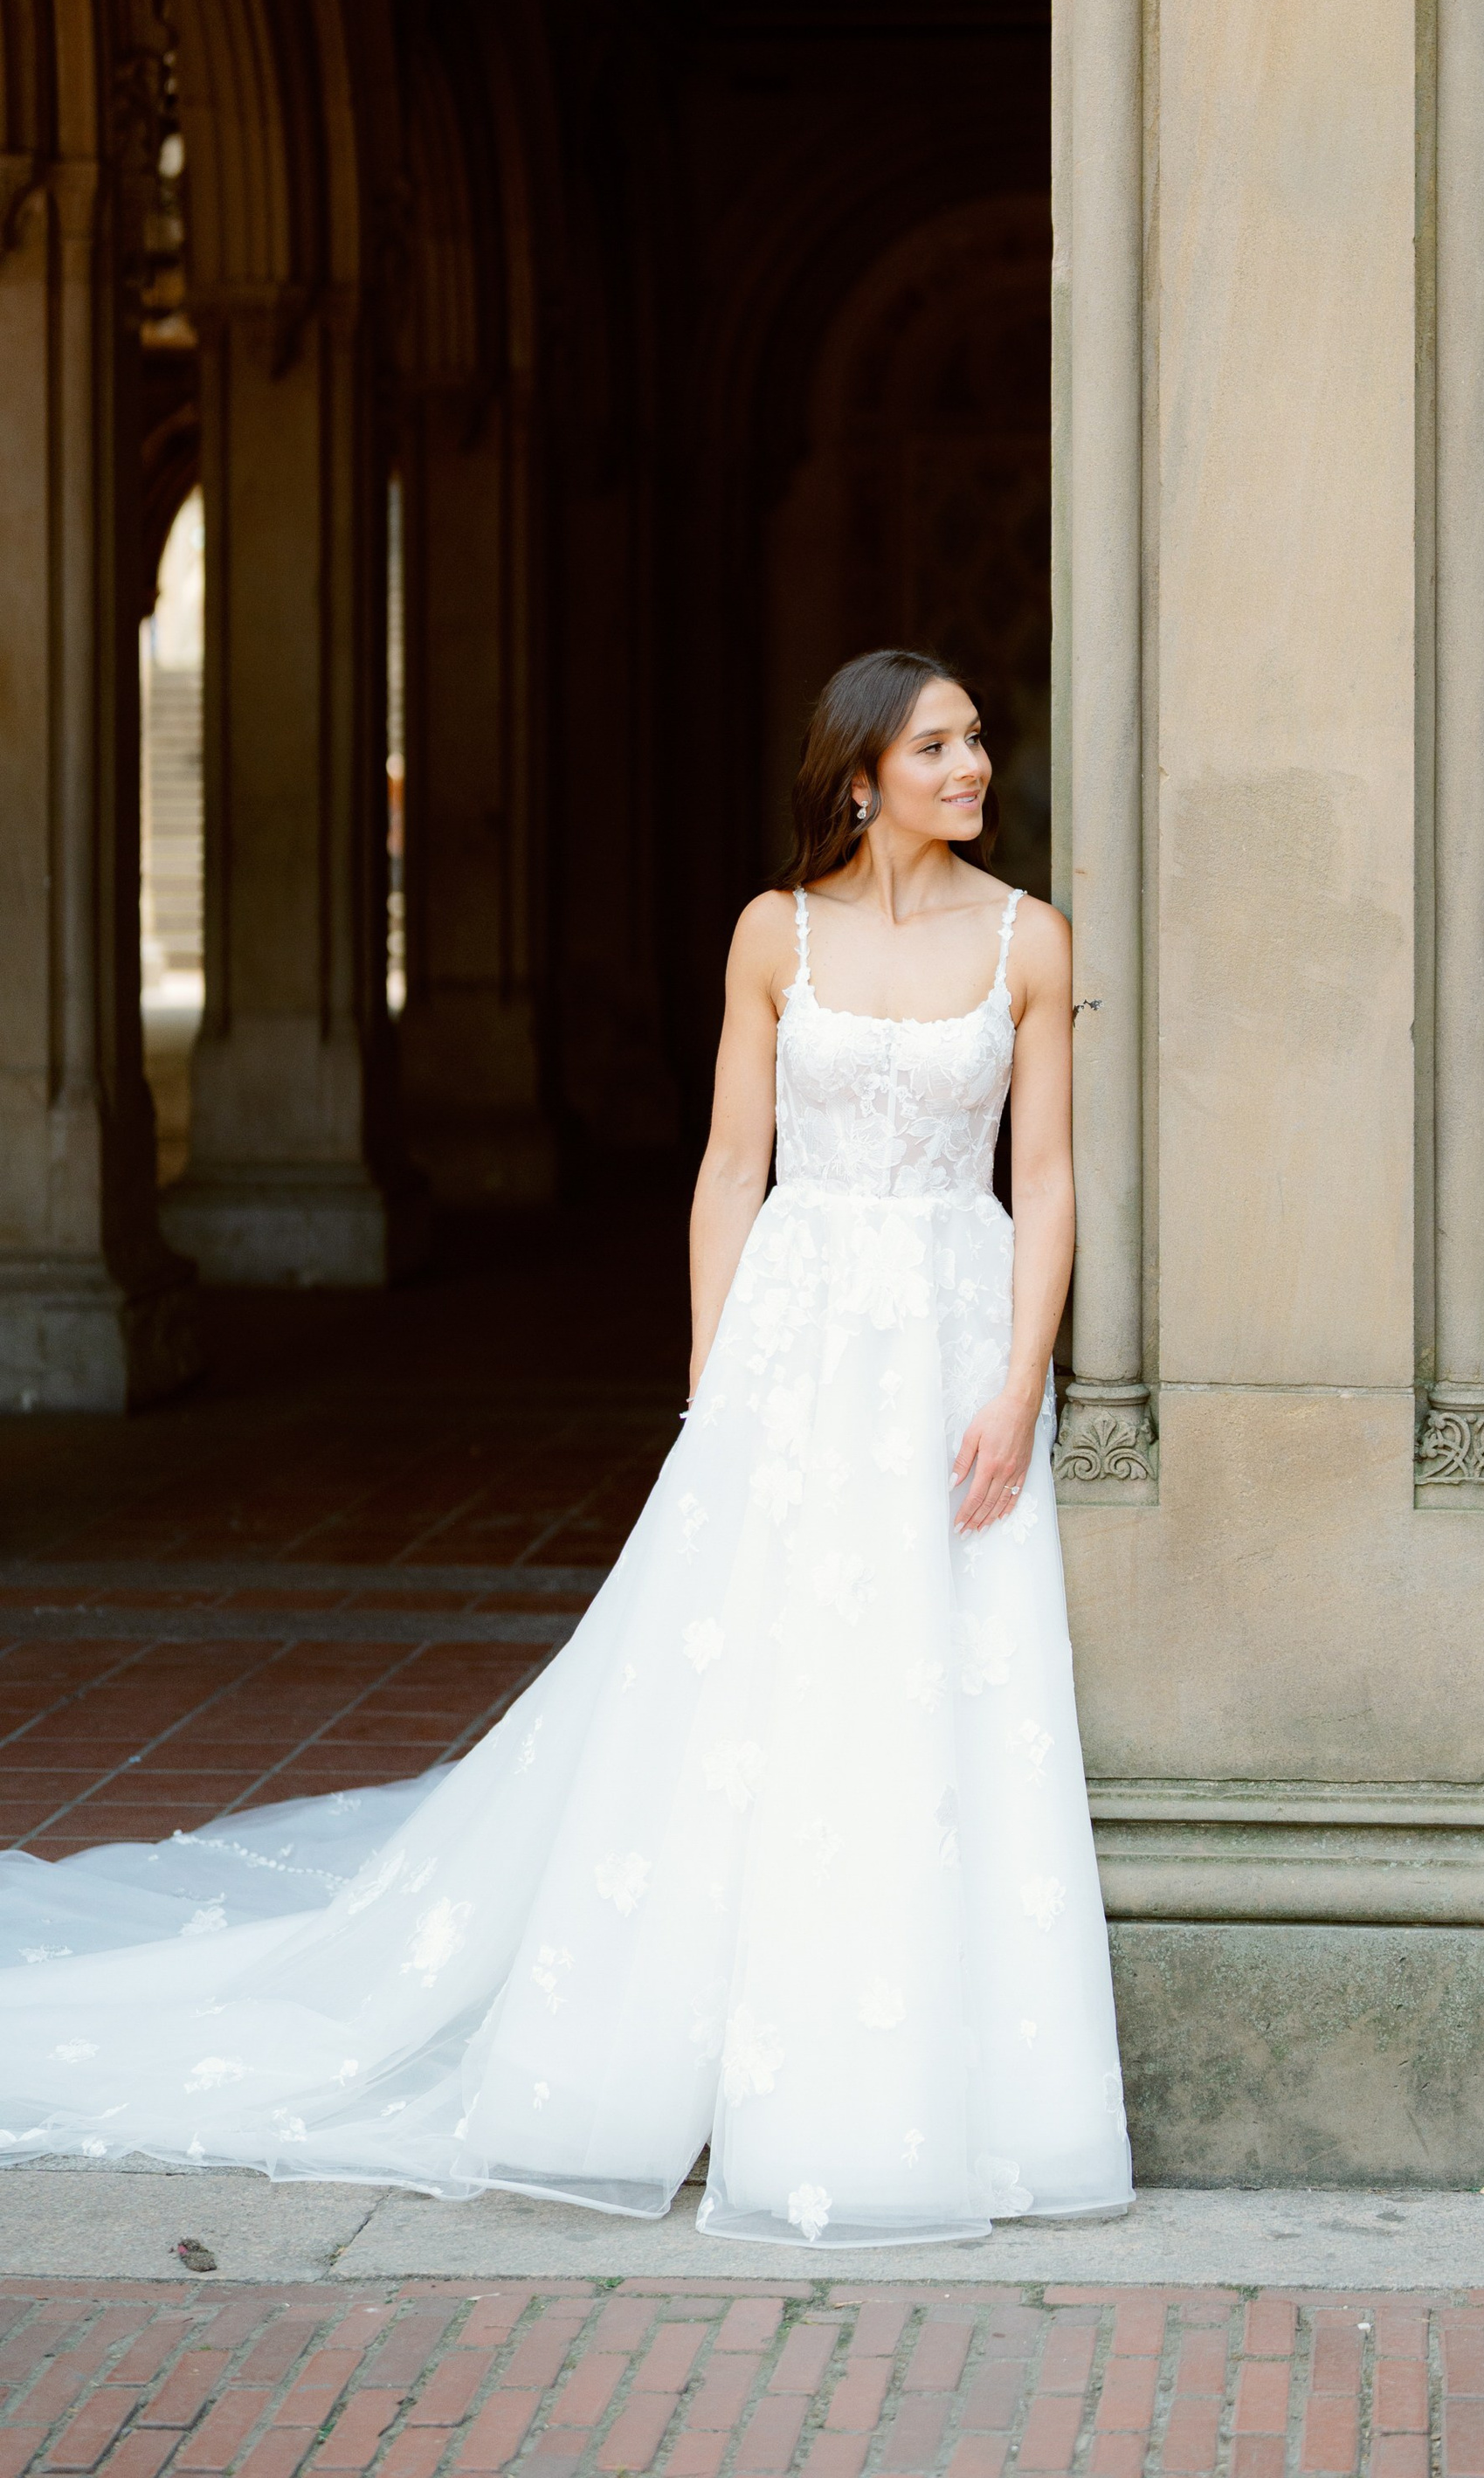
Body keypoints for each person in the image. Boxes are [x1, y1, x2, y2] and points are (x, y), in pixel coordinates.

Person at [0, 648, 1132, 2251]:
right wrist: (711, 1389)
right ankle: (674, 2064)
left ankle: (915, 2094)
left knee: (937, 1690)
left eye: (974, 741)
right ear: (860, 775)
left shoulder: (1029, 939)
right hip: (795, 1347)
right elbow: (733, 1166)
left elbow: (1053, 1180)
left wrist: (1023, 1383)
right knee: (752, 1687)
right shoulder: (773, 932)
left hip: (951, 1333)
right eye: (939, 744)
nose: (975, 765)